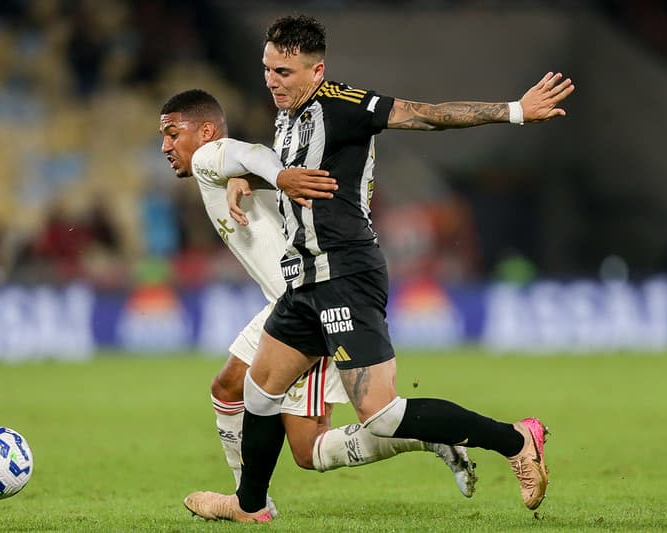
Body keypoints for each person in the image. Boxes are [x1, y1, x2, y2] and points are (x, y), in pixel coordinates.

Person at [184, 15, 575, 522]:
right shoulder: (287, 117)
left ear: (316, 70)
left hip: (346, 274)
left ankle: (517, 439)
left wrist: (516, 111)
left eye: (283, 71)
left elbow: (430, 115)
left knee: (383, 416)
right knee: (259, 388)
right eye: (267, 69)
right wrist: (251, 182)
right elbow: (298, 172)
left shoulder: (346, 106)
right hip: (303, 278)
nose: (271, 81)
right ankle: (250, 505)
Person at [159, 89, 477, 515]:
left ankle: (249, 501)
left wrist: (274, 175)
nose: (165, 146)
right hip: (292, 299)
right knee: (303, 445)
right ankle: (428, 437)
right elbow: (255, 158)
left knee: (248, 398)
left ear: (206, 131)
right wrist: (265, 175)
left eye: (172, 133)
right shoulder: (225, 167)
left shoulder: (209, 156)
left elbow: (252, 152)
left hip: (305, 301)